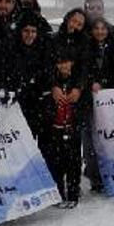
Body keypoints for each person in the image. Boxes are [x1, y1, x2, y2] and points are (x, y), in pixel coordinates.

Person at [83, 18, 114, 192]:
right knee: (91, 139)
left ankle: (111, 173)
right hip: (88, 100)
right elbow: (81, 71)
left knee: (109, 138)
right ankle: (95, 176)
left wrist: (106, 84)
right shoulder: (86, 49)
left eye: (103, 28)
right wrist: (91, 82)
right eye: (96, 28)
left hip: (108, 101)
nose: (100, 32)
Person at [40, 48, 84, 209]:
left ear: (72, 63)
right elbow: (43, 103)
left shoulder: (78, 83)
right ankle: (58, 192)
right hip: (54, 128)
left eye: (67, 62)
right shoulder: (50, 82)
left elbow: (84, 104)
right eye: (60, 63)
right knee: (55, 162)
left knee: (73, 163)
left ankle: (73, 193)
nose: (64, 66)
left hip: (72, 127)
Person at [13, 12, 53, 140]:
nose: (30, 35)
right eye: (26, 31)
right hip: (16, 106)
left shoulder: (43, 51)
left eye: (33, 31)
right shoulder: (12, 50)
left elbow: (47, 77)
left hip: (38, 105)